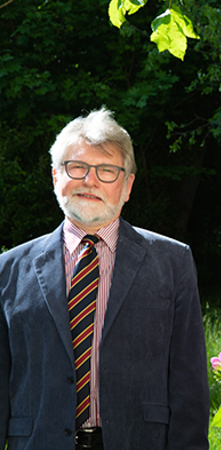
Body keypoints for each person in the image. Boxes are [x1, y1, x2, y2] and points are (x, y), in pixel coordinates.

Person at [0, 108, 209, 450]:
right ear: (56, 177)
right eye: (76, 167)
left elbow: (189, 386)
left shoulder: (173, 262)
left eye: (107, 171)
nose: (89, 180)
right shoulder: (7, 271)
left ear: (127, 186)